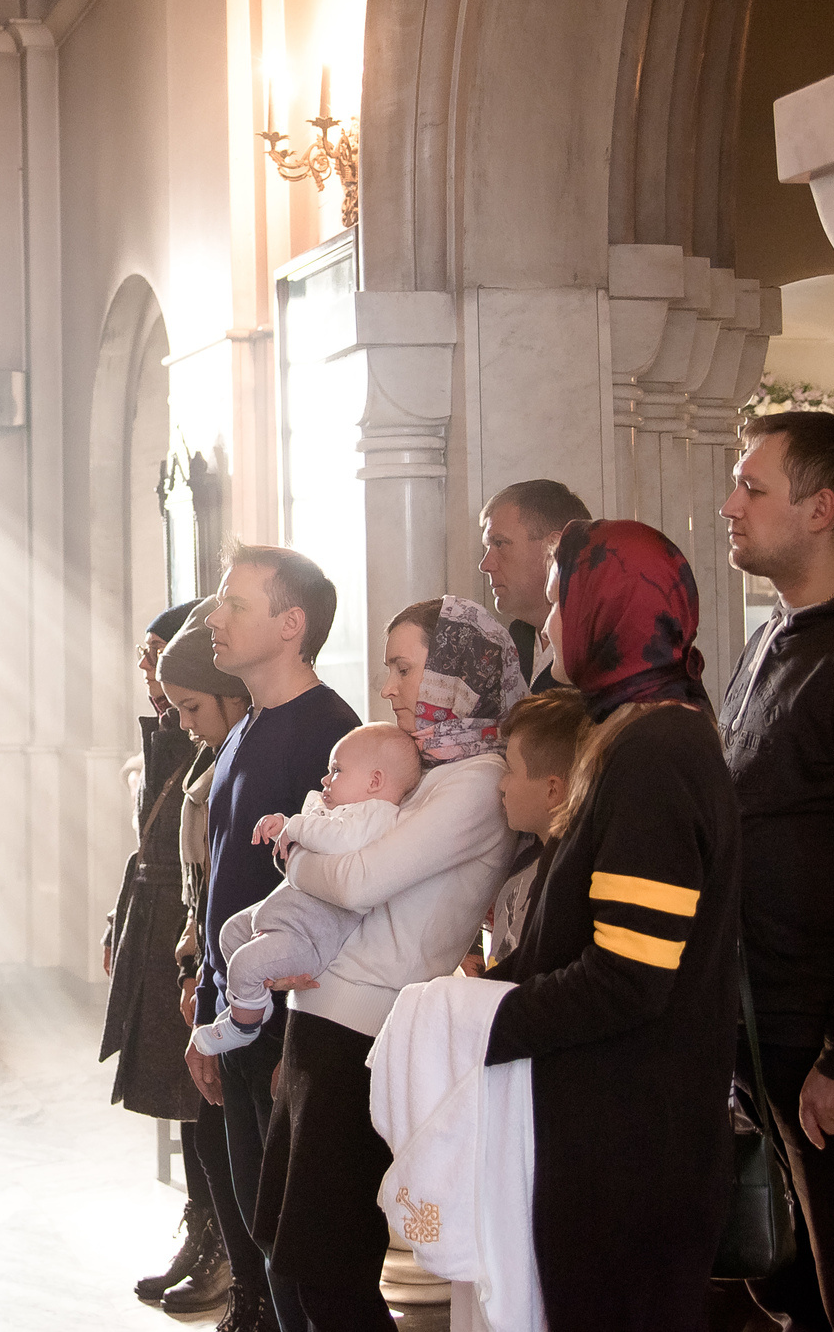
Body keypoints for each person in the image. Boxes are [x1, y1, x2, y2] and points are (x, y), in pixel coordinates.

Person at [486, 518, 738, 1331]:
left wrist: (479, 1022)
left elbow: (628, 978)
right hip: (612, 1130)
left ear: (608, 611)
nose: (549, 625)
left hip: (633, 1145)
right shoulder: (633, 730)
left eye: (562, 601)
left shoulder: (656, 750)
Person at [254, 594, 522, 1332]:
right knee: (289, 1249)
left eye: (404, 669)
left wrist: (294, 852)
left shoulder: (476, 782)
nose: (388, 688)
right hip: (326, 1020)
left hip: (364, 1031)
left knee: (330, 1270)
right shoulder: (432, 768)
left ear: (456, 676)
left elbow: (359, 882)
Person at [183, 545, 360, 1332]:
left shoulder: (331, 735)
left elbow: (337, 903)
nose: (215, 618)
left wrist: (297, 1042)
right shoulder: (245, 727)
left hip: (292, 1029)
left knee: (301, 1256)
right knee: (264, 1235)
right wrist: (210, 1013)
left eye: (235, 604)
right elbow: (229, 880)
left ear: (292, 625)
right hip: (242, 1019)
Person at [721, 410, 834, 1330]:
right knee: (786, 1291)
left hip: (817, 1048)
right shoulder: (770, 637)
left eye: (753, 488)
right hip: (761, 1034)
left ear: (822, 509)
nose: (731, 505)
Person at [99, 598, 225, 1311]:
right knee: (180, 1095)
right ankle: (200, 1231)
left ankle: (221, 1247)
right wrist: (118, 919)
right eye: (145, 659)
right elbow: (149, 841)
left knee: (201, 1097)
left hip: (189, 924)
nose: (147, 671)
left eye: (157, 655)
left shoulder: (203, 737)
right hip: (160, 920)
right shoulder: (172, 734)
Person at [130, 604, 253, 1314]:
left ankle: (234, 1269)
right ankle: (210, 1243)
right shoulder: (207, 744)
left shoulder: (250, 748)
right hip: (201, 960)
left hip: (238, 977)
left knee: (227, 1137)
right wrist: (188, 963)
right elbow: (192, 877)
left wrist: (203, 967)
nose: (179, 719)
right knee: (203, 1129)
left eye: (190, 706)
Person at [192, 726, 423, 1053]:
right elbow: (315, 835)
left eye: (336, 770)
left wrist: (295, 826)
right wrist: (284, 825)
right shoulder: (344, 812)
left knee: (245, 963)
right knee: (230, 933)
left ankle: (243, 1027)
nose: (325, 779)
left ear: (374, 782)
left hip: (308, 936)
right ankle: (255, 1003)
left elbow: (337, 838)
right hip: (284, 915)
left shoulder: (377, 815)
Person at [484, 687, 583, 967]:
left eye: (510, 770)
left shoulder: (568, 891)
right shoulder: (524, 866)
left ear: (552, 790)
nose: (502, 784)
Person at [478, 479, 591, 690]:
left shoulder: (597, 652)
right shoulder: (516, 639)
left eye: (500, 543)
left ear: (556, 547)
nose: (485, 565)